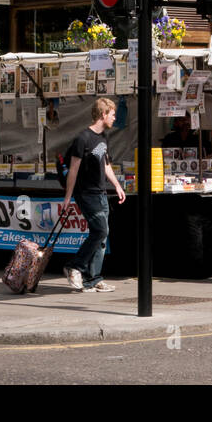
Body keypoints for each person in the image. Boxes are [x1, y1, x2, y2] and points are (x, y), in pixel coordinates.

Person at [60, 98, 126, 292]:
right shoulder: (83, 138)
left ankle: (93, 278)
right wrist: (67, 197)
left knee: (102, 237)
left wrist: (117, 186)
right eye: (112, 114)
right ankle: (75, 266)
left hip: (101, 193)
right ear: (103, 114)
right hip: (86, 194)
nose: (115, 117)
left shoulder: (103, 138)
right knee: (100, 231)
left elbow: (105, 164)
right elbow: (73, 170)